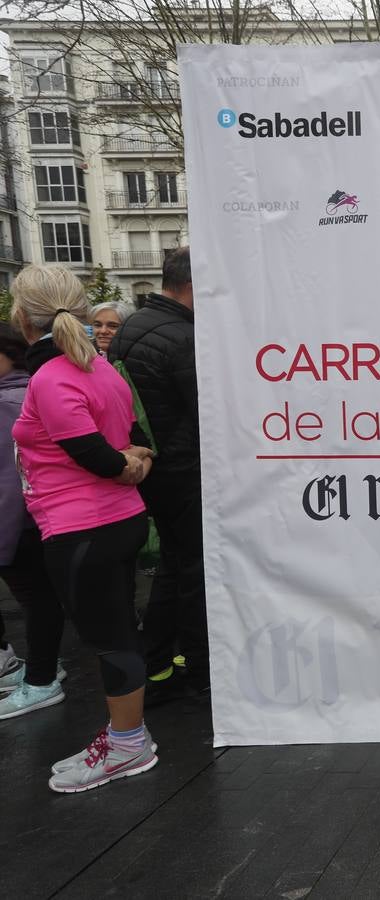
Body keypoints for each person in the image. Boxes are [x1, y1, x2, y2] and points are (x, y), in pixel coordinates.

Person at [9, 264, 157, 792]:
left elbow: (104, 458)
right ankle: (127, 737)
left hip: (83, 532)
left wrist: (129, 464)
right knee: (121, 635)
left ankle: (127, 745)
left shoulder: (52, 377)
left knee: (112, 640)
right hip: (116, 522)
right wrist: (133, 463)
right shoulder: (100, 367)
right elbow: (134, 441)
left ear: (22, 317)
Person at [108, 248, 208, 703]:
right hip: (184, 468)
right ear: (192, 285)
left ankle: (160, 664)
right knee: (193, 569)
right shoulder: (185, 337)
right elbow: (203, 408)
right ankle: (197, 668)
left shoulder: (130, 326)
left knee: (172, 565)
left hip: (152, 464)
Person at [0, 322, 69, 719]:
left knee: (37, 600)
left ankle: (42, 678)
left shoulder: (10, 401)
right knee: (41, 599)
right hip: (33, 517)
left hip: (18, 522)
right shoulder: (29, 390)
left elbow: (12, 478)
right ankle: (43, 670)